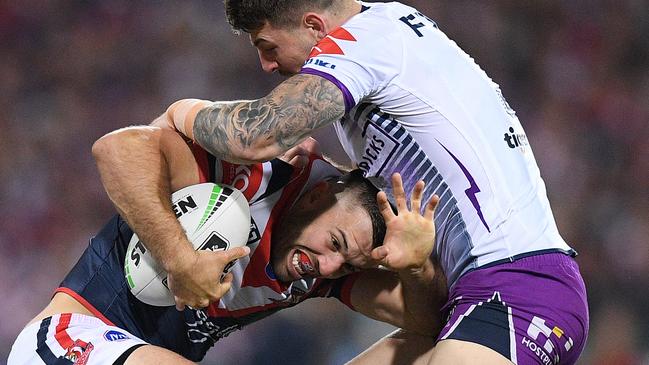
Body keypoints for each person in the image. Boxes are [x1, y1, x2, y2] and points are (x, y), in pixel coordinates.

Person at [159, 1, 590, 364]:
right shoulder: (388, 41)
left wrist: (179, 114)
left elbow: (258, 134)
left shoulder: (365, 41)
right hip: (473, 296)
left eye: (268, 46)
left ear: (314, 26)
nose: (267, 64)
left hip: (518, 288)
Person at [8, 123, 442, 364]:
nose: (329, 267)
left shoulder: (320, 268)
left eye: (347, 265)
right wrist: (179, 258)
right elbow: (116, 148)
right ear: (316, 196)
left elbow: (425, 325)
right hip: (66, 339)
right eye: (335, 243)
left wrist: (417, 267)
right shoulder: (252, 175)